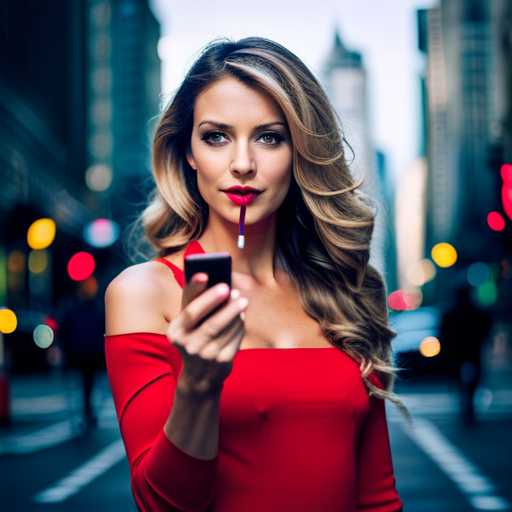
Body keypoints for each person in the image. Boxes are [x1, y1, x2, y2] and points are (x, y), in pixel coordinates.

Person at [105, 37, 404, 512]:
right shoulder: (146, 294)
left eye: (269, 137)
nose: (242, 164)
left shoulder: (350, 287)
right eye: (216, 136)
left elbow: (378, 497)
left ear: (300, 150)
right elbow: (162, 504)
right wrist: (198, 384)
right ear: (187, 151)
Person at [440, 286, 491, 426]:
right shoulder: (477, 312)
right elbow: (486, 329)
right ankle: (468, 402)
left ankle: (466, 402)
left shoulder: (451, 314)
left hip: (460, 351)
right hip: (472, 349)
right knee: (473, 377)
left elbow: (444, 334)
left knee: (460, 377)